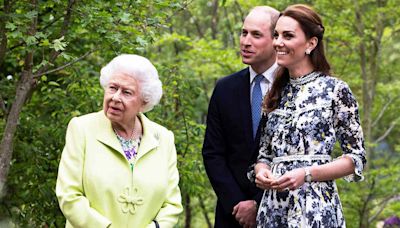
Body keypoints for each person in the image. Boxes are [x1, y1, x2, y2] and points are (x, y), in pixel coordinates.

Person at [251, 4, 367, 227]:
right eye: (276, 35)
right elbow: (263, 156)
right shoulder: (274, 93)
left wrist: (307, 173)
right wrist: (262, 171)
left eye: (288, 36)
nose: (278, 42)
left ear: (311, 43)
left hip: (315, 209)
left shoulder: (335, 90)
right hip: (273, 211)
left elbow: (355, 159)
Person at [56, 54, 183, 227]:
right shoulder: (82, 128)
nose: (115, 97)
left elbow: (172, 204)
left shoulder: (163, 138)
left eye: (126, 92)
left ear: (144, 102)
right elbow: (69, 196)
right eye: (112, 88)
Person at [202, 6, 280, 228]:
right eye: (244, 33)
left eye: (256, 35)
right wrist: (238, 204)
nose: (246, 41)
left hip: (280, 211)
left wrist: (258, 204)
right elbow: (212, 153)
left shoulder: (293, 90)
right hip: (232, 215)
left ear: (276, 40)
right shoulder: (225, 88)